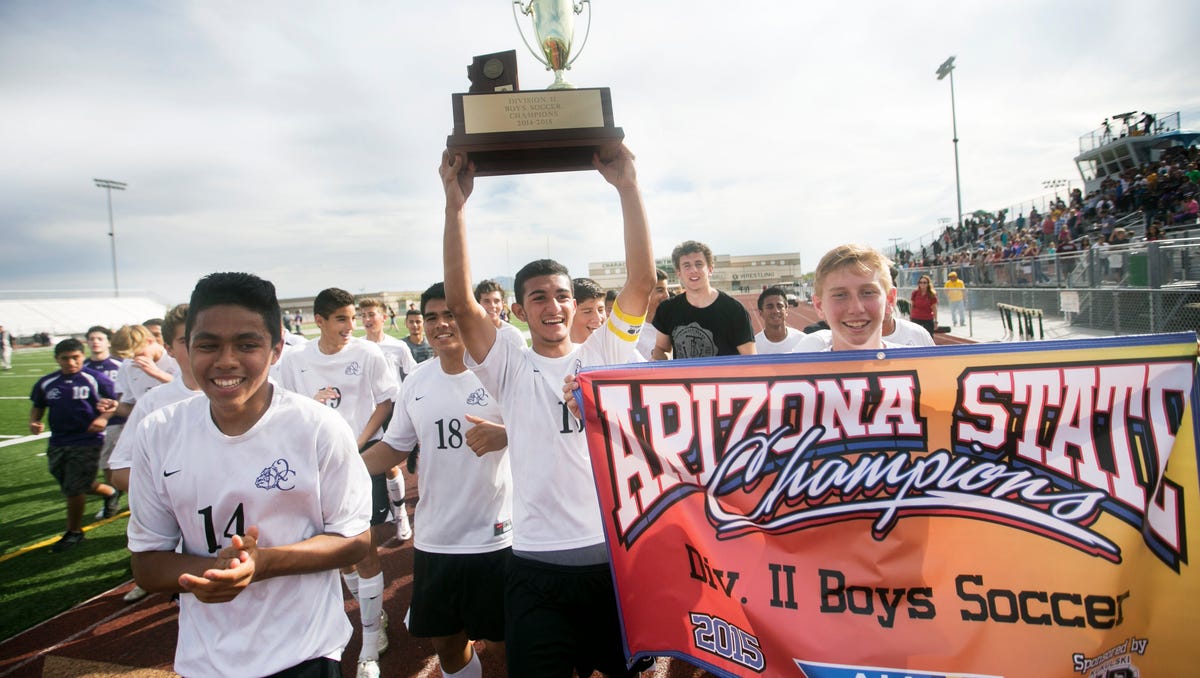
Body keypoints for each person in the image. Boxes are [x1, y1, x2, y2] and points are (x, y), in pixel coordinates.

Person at [440, 144, 655, 677]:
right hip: (536, 567)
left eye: (561, 295)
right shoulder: (508, 364)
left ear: (574, 302)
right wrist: (455, 204)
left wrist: (628, 187)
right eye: (538, 297)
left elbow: (642, 283)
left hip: (612, 561)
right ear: (518, 310)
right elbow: (462, 303)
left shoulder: (605, 351)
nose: (553, 306)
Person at [126, 272, 372, 677]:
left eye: (246, 344)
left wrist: (265, 562)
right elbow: (147, 563)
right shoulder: (158, 432)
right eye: (208, 345)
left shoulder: (318, 427)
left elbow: (354, 541)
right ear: (187, 347)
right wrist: (213, 573)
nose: (226, 360)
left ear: (276, 349)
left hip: (305, 652)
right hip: (204, 661)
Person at [362, 282, 513, 678]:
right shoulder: (417, 380)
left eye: (451, 314)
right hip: (436, 538)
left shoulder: (501, 373)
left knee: (505, 643)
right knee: (446, 641)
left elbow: (544, 429)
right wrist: (343, 468)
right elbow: (394, 447)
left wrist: (507, 433)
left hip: (496, 536)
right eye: (432, 318)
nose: (441, 324)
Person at [277, 287, 398, 678]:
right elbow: (284, 406)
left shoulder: (368, 353)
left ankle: (369, 643)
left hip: (359, 460)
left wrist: (357, 443)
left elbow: (386, 401)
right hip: (314, 466)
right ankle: (372, 612)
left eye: (352, 317)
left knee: (364, 546)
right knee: (337, 549)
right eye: (341, 319)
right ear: (319, 321)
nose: (350, 326)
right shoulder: (295, 360)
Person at [110, 304, 200, 603]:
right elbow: (120, 469)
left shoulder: (257, 392)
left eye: (207, 338)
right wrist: (175, 491)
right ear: (169, 349)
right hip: (186, 539)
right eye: (186, 341)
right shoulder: (155, 403)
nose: (199, 347)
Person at [29, 338, 120, 552]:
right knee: (71, 483)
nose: (71, 362)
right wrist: (34, 421)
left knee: (74, 487)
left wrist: (103, 418)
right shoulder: (47, 382)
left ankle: (74, 531)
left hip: (88, 441)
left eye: (75, 357)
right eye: (65, 358)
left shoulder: (95, 379)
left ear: (82, 356)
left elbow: (116, 402)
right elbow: (38, 405)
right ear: (57, 359)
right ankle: (109, 492)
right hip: (58, 441)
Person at [358, 296, 417, 543]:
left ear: (384, 317)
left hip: (392, 409)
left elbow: (412, 374)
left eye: (371, 314)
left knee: (390, 465)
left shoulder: (397, 347)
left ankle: (400, 511)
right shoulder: (357, 348)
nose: (367, 319)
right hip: (368, 413)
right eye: (363, 315)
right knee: (369, 466)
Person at [652, 240, 755, 359]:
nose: (693, 270)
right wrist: (659, 360)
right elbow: (661, 348)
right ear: (679, 273)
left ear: (710, 269)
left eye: (699, 264)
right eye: (687, 266)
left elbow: (750, 359)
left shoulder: (735, 310)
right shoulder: (667, 309)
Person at [806, 244, 901, 351]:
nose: (856, 308)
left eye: (868, 293)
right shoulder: (802, 362)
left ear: (890, 300)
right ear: (819, 306)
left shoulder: (915, 360)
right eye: (840, 295)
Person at [85, 326, 127, 496]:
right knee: (105, 461)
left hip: (120, 419)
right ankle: (113, 494)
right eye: (91, 339)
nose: (95, 342)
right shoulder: (83, 367)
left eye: (100, 339)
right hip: (95, 422)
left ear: (109, 342)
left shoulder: (120, 364)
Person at [753, 286, 805, 353]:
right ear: (761, 313)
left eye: (780, 306)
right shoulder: (753, 347)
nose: (776, 311)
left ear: (786, 310)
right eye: (770, 307)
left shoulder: (803, 341)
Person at [475, 279, 526, 347]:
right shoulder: (470, 334)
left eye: (496, 301)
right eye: (487, 301)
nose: (492, 305)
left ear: (502, 304)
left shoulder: (513, 334)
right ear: (478, 304)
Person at [635, 269, 670, 360]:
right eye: (660, 290)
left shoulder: (673, 324)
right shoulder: (632, 329)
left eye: (667, 290)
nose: (667, 295)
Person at [570, 277, 607, 344]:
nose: (598, 319)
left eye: (600, 310)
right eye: (587, 312)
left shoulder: (614, 348)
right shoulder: (552, 349)